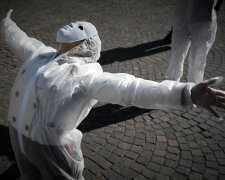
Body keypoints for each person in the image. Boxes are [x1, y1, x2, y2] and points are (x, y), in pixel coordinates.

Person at [1, 9, 225, 180]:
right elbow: (19, 39)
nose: (72, 23)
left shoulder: (87, 76)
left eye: (81, 28)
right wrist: (6, 23)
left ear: (87, 44)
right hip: (18, 137)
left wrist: (185, 92)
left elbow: (131, 88)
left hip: (52, 148)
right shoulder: (41, 54)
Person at [165, 0, 219, 83]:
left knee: (198, 59)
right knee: (177, 53)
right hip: (183, 11)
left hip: (203, 14)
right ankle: (171, 85)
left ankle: (194, 88)